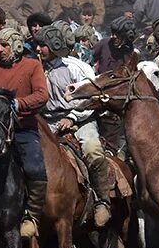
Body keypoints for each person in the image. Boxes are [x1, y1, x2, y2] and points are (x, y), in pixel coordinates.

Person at [34, 23, 113, 226]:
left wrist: (72, 117)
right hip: (46, 122)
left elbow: (93, 98)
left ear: (53, 46)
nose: (37, 49)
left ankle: (102, 201)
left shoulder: (76, 68)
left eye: (41, 45)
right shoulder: (34, 68)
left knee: (93, 150)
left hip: (81, 119)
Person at [0, 27, 49, 237]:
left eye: (4, 45)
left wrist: (18, 104)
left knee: (35, 167)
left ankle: (32, 215)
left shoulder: (32, 66)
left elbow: (42, 95)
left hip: (24, 128)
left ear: (16, 46)